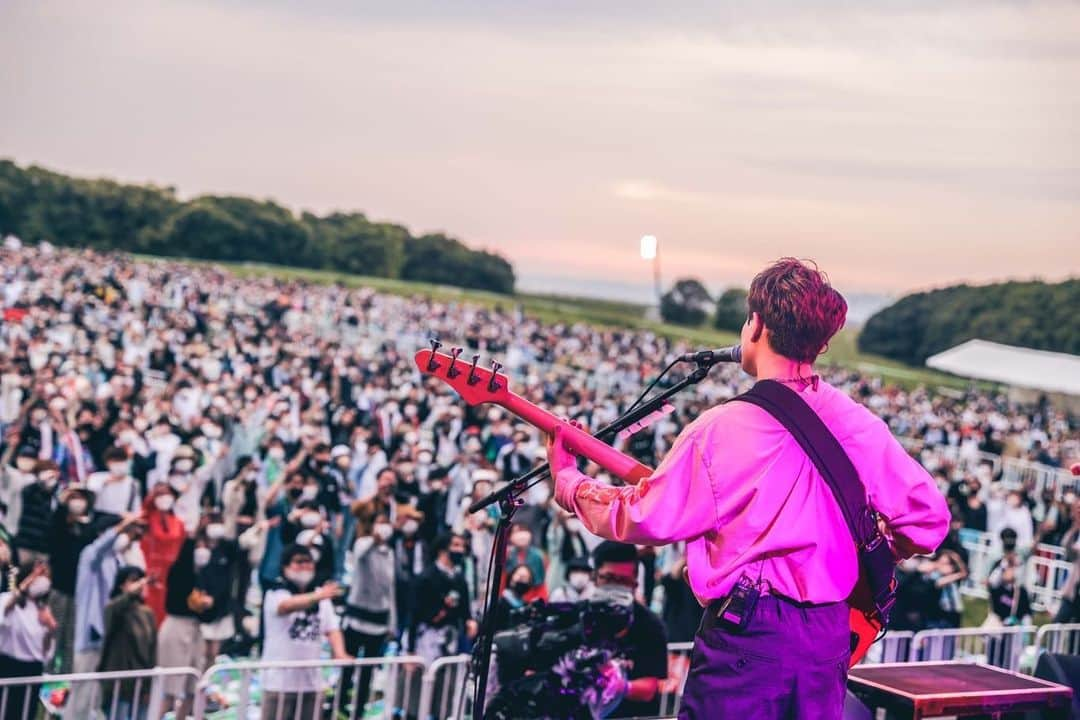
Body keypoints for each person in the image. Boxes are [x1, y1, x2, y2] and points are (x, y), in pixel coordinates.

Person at [546, 258, 950, 720]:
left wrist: (569, 482)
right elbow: (928, 520)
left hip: (750, 634)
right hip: (828, 633)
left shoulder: (723, 428)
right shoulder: (857, 422)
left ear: (755, 325)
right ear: (821, 340)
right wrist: (866, 552)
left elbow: (642, 516)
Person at [260, 544, 349, 720]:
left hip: (312, 682)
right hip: (279, 682)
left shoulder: (320, 596)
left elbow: (332, 628)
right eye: (299, 562)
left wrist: (340, 652)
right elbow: (286, 606)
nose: (305, 566)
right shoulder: (276, 593)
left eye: (309, 562)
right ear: (285, 566)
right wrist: (318, 596)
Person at [587, 541, 668, 719]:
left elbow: (650, 687)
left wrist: (621, 687)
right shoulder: (579, 617)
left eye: (622, 581)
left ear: (634, 585)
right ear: (595, 578)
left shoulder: (650, 626)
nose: (614, 587)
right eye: (608, 578)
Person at [341, 500, 397, 712]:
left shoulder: (389, 553)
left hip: (378, 622)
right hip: (356, 620)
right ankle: (340, 704)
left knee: (368, 672)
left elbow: (390, 590)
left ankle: (359, 710)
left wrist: (392, 623)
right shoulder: (362, 544)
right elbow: (360, 552)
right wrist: (373, 539)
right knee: (349, 667)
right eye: (380, 523)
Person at [98, 566, 157, 720]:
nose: (139, 585)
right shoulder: (113, 609)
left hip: (140, 685)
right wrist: (129, 594)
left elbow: (152, 651)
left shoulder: (147, 613)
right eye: (133, 581)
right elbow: (112, 612)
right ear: (121, 585)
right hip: (118, 684)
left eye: (140, 581)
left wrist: (148, 686)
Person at [0, 562, 57, 716]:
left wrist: (51, 631)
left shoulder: (44, 611)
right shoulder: (9, 600)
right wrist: (27, 583)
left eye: (45, 575)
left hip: (32, 670)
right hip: (8, 667)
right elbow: (4, 612)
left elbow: (45, 653)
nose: (42, 580)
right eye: (39, 574)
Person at [412, 533, 478, 664]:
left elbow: (465, 609)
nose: (460, 550)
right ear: (442, 549)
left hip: (451, 637)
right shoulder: (426, 577)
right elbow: (414, 614)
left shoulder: (460, 579)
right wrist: (410, 649)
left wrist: (469, 621)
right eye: (456, 545)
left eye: (462, 546)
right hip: (427, 637)